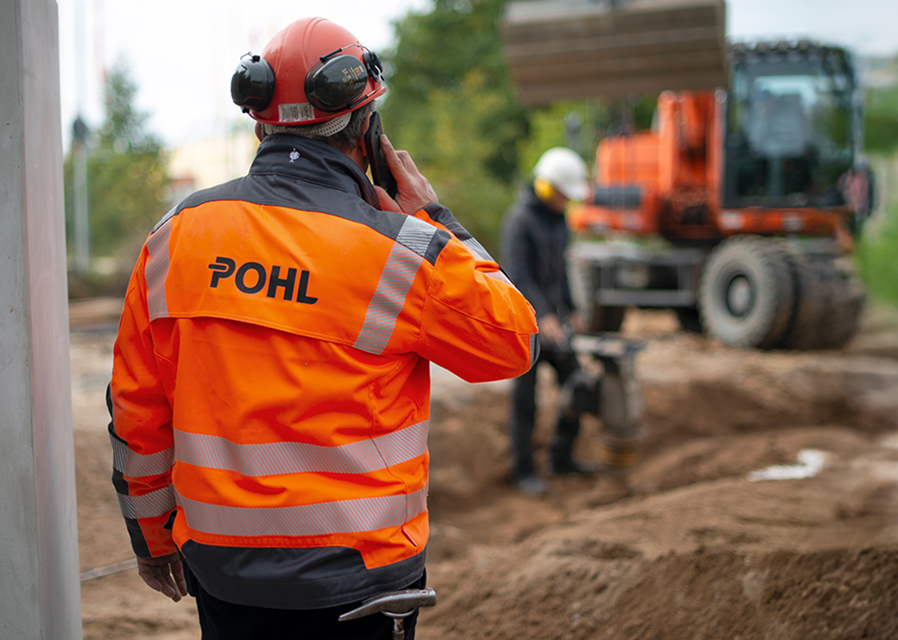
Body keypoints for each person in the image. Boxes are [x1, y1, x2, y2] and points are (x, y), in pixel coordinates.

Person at [106, 17, 539, 640]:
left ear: (261, 123)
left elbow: (135, 413)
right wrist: (435, 218)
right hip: (360, 584)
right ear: (368, 127)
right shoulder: (405, 252)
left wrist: (151, 540)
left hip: (224, 577)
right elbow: (517, 340)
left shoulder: (176, 237)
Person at [501, 147, 594, 496]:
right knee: (525, 402)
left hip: (555, 326)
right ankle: (522, 470)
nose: (567, 201)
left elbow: (562, 272)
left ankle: (561, 457)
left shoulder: (560, 222)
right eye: (564, 195)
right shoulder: (519, 222)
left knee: (578, 384)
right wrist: (543, 315)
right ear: (546, 187)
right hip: (526, 327)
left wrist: (573, 309)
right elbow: (518, 277)